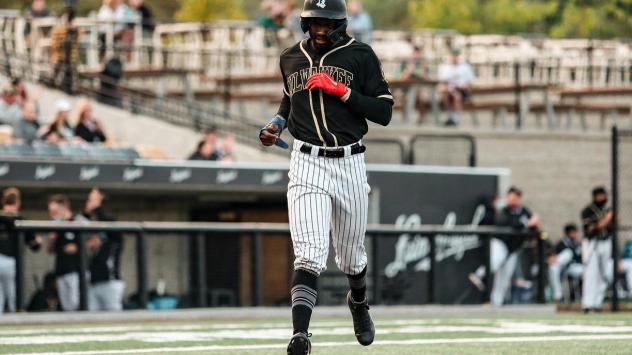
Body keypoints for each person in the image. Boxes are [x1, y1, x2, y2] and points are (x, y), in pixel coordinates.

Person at [259, 0, 393, 352]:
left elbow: (384, 111)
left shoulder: (360, 55)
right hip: (306, 162)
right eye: (314, 22)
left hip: (349, 161)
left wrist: (343, 91)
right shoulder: (290, 57)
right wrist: (276, 124)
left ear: (341, 24)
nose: (320, 30)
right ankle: (300, 333)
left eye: (327, 23)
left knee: (351, 257)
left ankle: (359, 303)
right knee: (309, 254)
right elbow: (289, 103)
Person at [491, 186, 540, 306]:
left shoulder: (524, 211)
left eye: (515, 198)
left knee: (505, 277)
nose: (512, 200)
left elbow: (535, 224)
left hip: (513, 248)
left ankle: (497, 302)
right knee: (494, 265)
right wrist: (527, 223)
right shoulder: (503, 209)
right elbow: (508, 222)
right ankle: (481, 275)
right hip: (501, 243)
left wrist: (534, 221)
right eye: (510, 197)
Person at [47, 194, 96, 312]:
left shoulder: (77, 220)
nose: (52, 215)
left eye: (54, 211)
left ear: (63, 207)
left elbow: (95, 239)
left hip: (77, 270)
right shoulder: (56, 226)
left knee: (78, 303)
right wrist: (52, 239)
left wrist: (79, 247)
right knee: (66, 306)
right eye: (51, 212)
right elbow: (49, 250)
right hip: (61, 270)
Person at [80, 188, 124, 311]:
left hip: (110, 282)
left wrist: (96, 206)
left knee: (114, 318)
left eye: (92, 198)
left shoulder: (112, 227)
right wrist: (87, 212)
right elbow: (79, 221)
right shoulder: (94, 226)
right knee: (92, 319)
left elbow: (107, 222)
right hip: (93, 282)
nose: (89, 201)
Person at [0, 188, 42, 315]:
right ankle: (16, 319)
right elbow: (35, 246)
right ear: (18, 203)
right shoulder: (20, 219)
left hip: (8, 260)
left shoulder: (17, 218)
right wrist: (38, 241)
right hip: (11, 261)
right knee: (13, 295)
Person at [581, 186, 613, 312]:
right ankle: (587, 304)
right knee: (591, 273)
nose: (602, 198)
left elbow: (612, 226)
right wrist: (606, 219)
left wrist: (608, 220)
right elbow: (592, 228)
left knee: (604, 273)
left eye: (603, 195)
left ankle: (597, 303)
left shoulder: (607, 209)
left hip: (606, 242)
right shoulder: (588, 210)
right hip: (592, 243)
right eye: (599, 195)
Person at [438, 48, 475, 126]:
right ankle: (450, 118)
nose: (454, 57)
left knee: (456, 95)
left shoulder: (465, 67)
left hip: (462, 91)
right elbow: (442, 82)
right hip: (448, 91)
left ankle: (455, 119)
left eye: (456, 55)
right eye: (453, 55)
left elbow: (470, 83)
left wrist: (463, 87)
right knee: (446, 94)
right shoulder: (444, 67)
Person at [548, 223, 583, 302]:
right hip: (563, 267)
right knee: (567, 253)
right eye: (573, 232)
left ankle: (580, 295)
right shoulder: (561, 243)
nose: (575, 234)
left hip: (574, 266)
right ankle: (558, 295)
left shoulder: (576, 243)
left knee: (585, 272)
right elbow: (553, 254)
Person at [50, 7, 79, 93]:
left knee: (70, 72)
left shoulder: (75, 29)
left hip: (70, 57)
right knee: (58, 71)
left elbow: (76, 39)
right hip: (59, 56)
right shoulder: (59, 29)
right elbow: (55, 44)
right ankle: (54, 85)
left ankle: (68, 87)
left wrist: (72, 29)